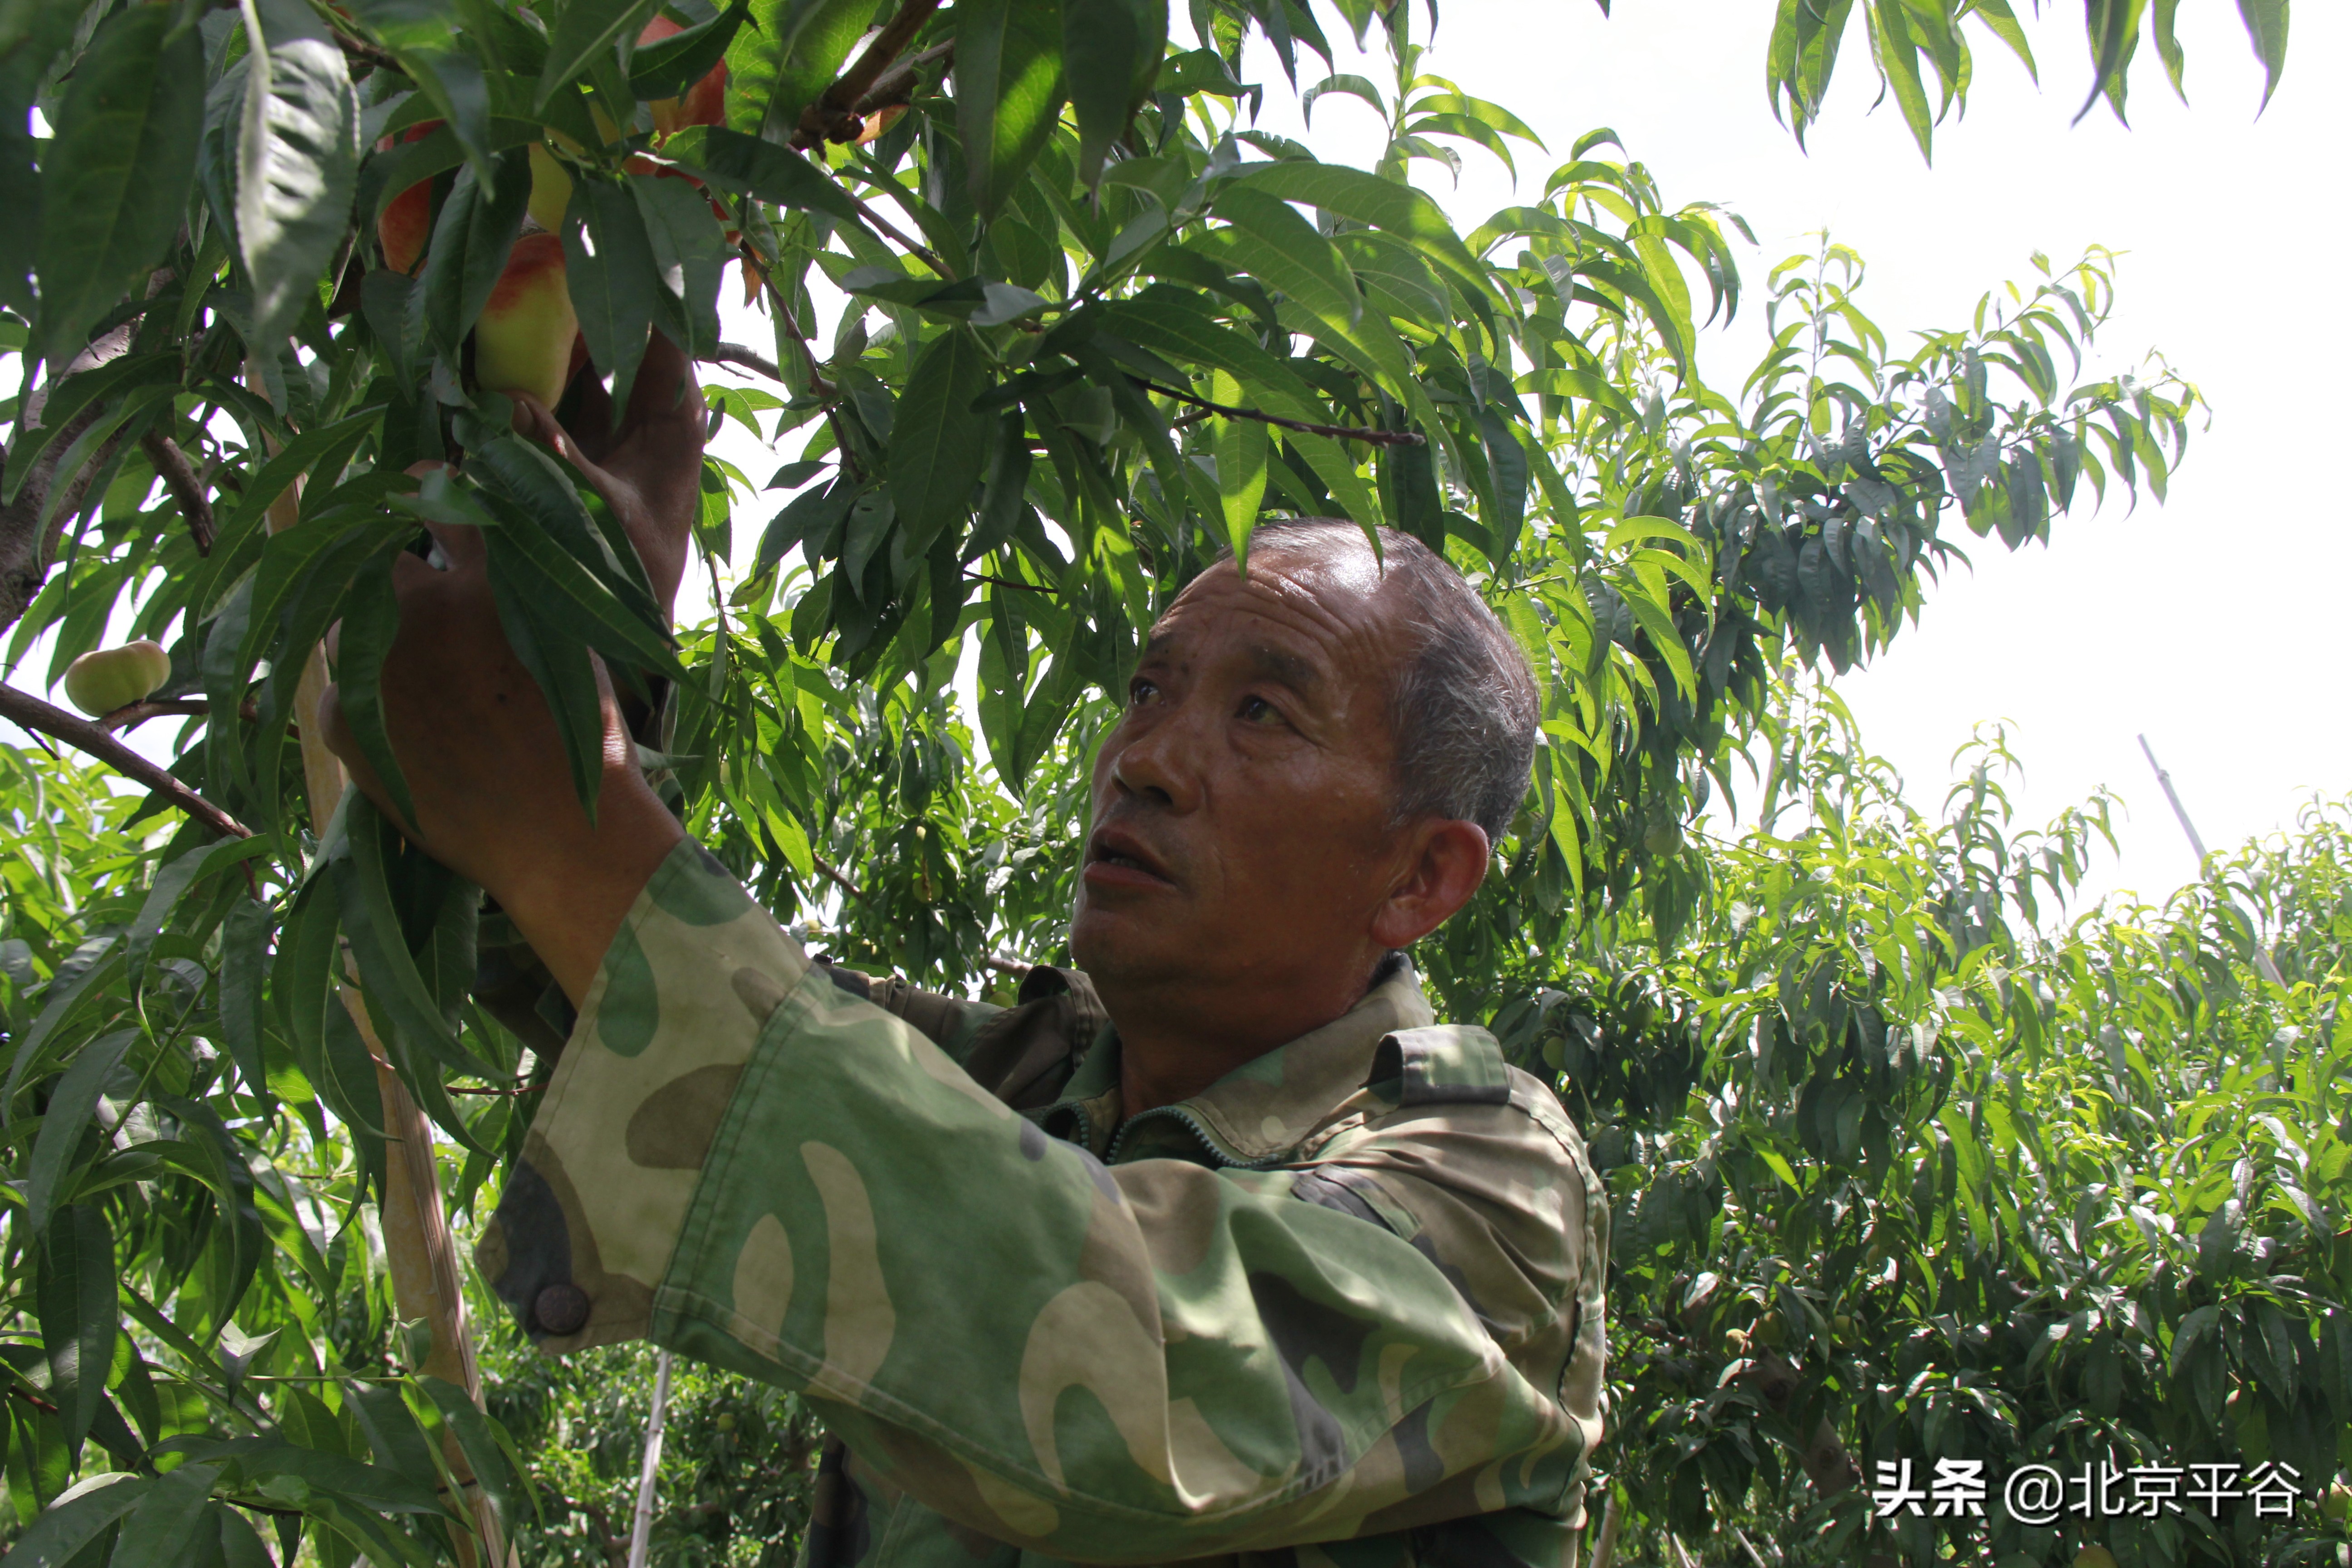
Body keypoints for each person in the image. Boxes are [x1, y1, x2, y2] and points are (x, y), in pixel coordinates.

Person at [325, 333, 1610, 1568]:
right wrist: (575, 644)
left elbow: (1125, 1372)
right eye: (1150, 691)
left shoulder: (1490, 1190)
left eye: (1264, 712)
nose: (1143, 762)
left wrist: (571, 830)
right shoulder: (1022, 1079)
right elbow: (595, 978)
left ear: (1420, 875)